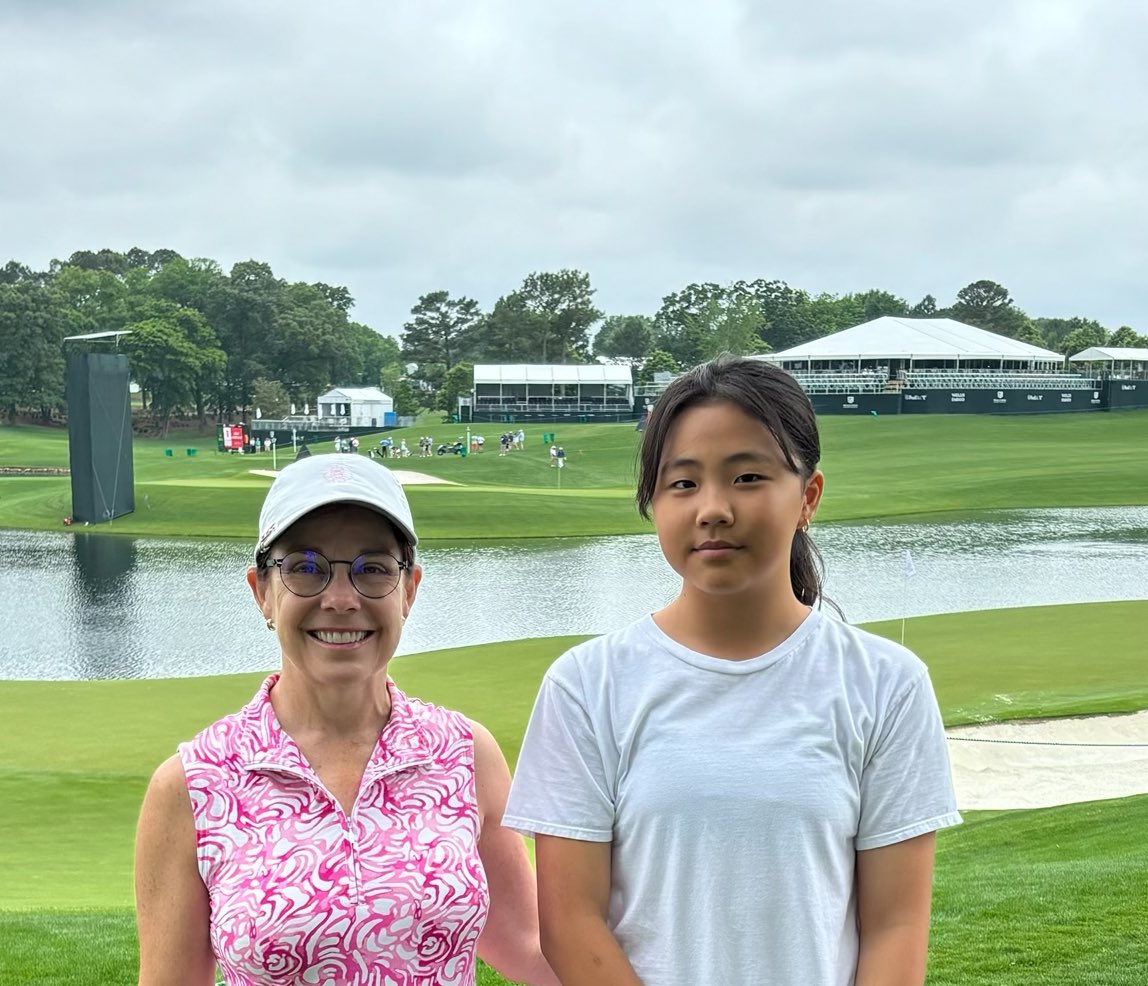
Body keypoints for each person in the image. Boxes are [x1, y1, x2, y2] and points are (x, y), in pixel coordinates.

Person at [503, 356, 960, 986]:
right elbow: (570, 923)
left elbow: (896, 927)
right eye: (683, 484)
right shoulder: (586, 685)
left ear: (808, 497)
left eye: (747, 477)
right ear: (654, 503)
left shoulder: (887, 683)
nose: (712, 509)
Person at [135, 454, 557, 986]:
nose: (340, 599)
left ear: (409, 591)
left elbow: (528, 947)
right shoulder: (191, 785)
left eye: (373, 569)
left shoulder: (465, 754)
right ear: (262, 592)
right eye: (305, 568)